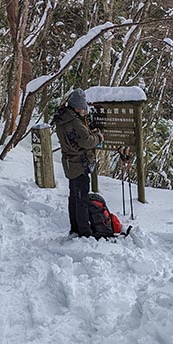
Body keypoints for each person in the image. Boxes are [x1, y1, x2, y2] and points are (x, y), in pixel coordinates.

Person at [51, 88, 103, 238]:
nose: (84, 111)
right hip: (79, 163)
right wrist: (98, 137)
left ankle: (75, 227)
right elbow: (86, 141)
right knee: (81, 199)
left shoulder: (63, 117)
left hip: (69, 162)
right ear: (77, 106)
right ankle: (84, 232)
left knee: (74, 196)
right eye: (82, 108)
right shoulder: (74, 122)